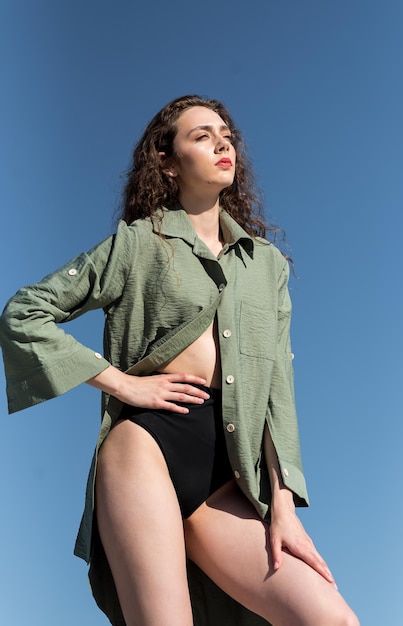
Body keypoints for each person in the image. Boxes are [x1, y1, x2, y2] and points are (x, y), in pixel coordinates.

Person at [0, 95, 359, 626]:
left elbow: (277, 387)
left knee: (331, 620)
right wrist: (123, 385)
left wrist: (283, 505)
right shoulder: (137, 242)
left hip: (229, 470)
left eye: (226, 134)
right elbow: (25, 312)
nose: (222, 142)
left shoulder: (267, 266)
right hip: (145, 446)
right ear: (167, 162)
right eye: (201, 135)